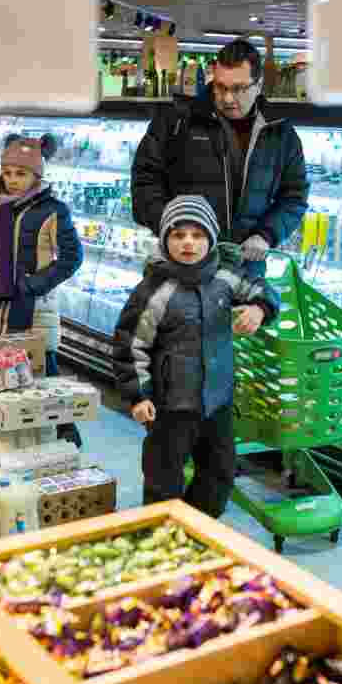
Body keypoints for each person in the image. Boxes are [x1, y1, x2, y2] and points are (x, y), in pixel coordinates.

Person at [112, 195, 280, 517]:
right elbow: (130, 346)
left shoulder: (226, 278)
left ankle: (198, 528)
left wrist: (260, 309)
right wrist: (137, 396)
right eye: (178, 235)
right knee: (164, 477)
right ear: (165, 241)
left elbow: (265, 291)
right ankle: (163, 532)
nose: (188, 243)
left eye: (198, 235)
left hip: (217, 401)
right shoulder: (153, 290)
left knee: (220, 472)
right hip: (170, 404)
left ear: (211, 239)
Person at [131, 39, 309, 279]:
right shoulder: (176, 121)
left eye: (238, 89)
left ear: (258, 85)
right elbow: (144, 183)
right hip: (181, 269)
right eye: (220, 87)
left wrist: (266, 235)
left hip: (244, 270)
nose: (227, 98)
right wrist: (175, 230)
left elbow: (294, 196)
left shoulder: (281, 134)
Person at [0, 134, 84, 446]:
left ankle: (65, 436)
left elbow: (72, 258)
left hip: (36, 310)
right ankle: (6, 434)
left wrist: (32, 285)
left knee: (45, 374)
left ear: (36, 175)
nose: (13, 180)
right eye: (7, 173)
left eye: (21, 174)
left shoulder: (54, 211)